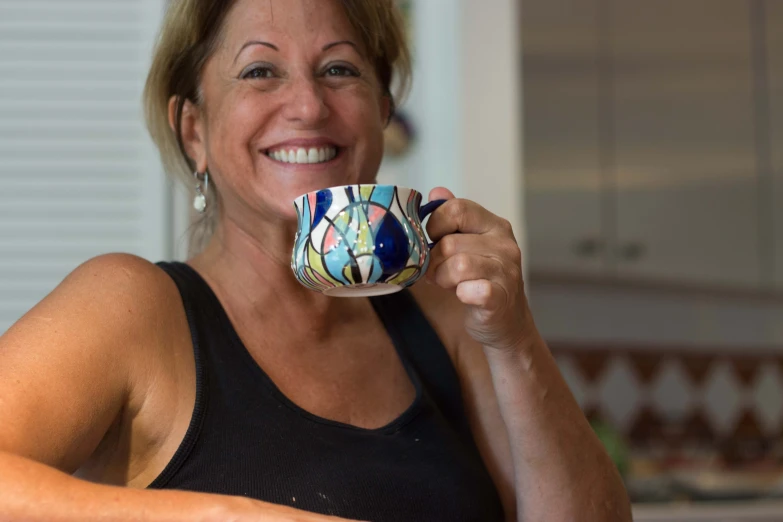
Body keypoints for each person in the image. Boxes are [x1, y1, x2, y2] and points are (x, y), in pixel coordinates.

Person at [0, 0, 632, 520]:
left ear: (382, 111)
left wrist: (513, 335)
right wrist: (227, 516)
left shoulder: (446, 318)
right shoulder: (130, 306)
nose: (308, 105)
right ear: (194, 128)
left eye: (339, 70)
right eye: (258, 72)